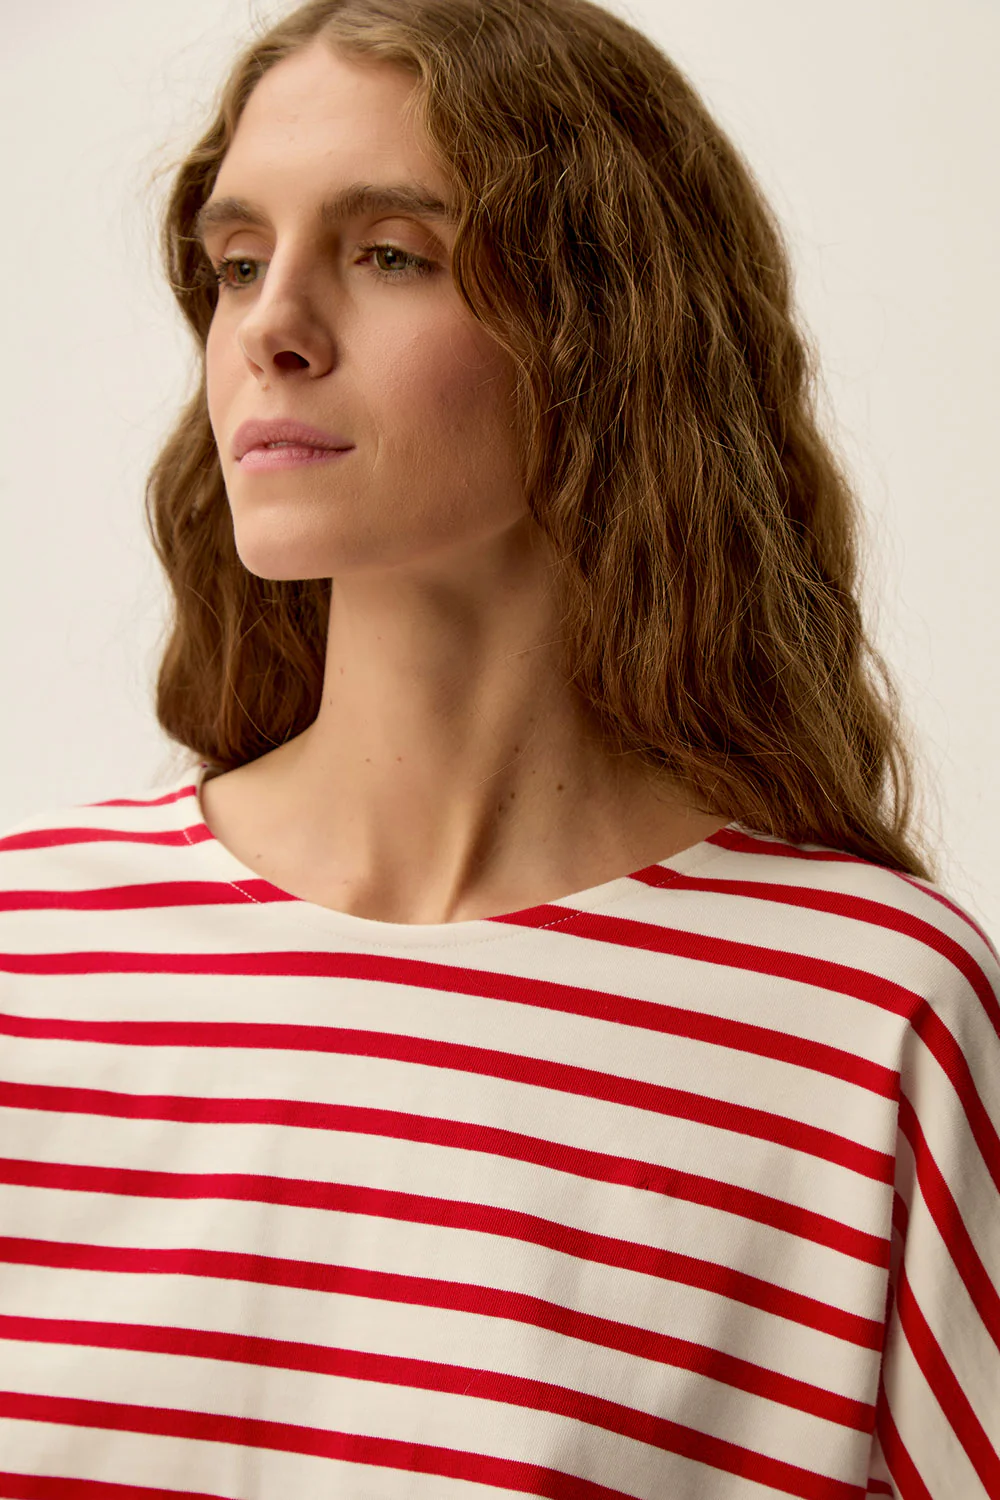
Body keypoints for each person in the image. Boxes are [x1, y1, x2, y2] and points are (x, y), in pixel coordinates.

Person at [1, 0, 997, 1494]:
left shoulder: (866, 1029)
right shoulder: (31, 960)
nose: (269, 326)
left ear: (608, 331)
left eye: (390, 253)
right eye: (239, 261)